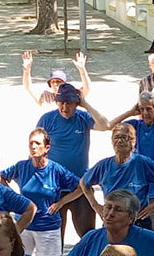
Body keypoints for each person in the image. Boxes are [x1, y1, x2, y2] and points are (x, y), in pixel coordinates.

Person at [0, 128, 81, 256]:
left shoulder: (56, 170)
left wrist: (61, 203)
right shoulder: (21, 166)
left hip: (48, 225)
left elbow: (81, 187)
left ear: (47, 148)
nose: (33, 146)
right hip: (24, 225)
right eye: (31, 143)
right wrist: (14, 197)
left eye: (37, 143)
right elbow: (0, 176)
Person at [35, 84, 105, 238]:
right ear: (56, 102)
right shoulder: (47, 119)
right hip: (54, 186)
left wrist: (86, 104)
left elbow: (105, 125)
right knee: (53, 236)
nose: (65, 107)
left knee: (87, 235)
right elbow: (35, 147)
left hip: (79, 185)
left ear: (76, 103)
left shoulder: (83, 118)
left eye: (70, 103)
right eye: (61, 103)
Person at [82, 122, 154, 229]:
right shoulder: (103, 165)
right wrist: (95, 205)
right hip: (112, 220)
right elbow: (84, 183)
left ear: (133, 141)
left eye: (125, 137)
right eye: (116, 137)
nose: (120, 141)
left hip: (138, 221)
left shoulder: (141, 162)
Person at [22, 50, 91, 106]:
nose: (55, 84)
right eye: (52, 82)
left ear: (64, 84)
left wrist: (82, 70)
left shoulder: (73, 97)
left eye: (58, 81)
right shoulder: (46, 98)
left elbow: (87, 88)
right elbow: (28, 88)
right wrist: (27, 69)